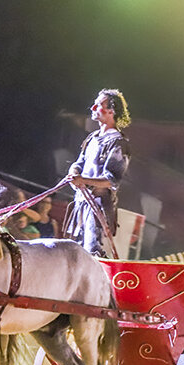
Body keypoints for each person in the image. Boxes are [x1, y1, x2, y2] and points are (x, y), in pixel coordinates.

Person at [65, 88, 131, 257]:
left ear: (112, 111)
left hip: (98, 207)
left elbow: (112, 180)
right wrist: (74, 171)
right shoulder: (92, 138)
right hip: (81, 203)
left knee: (93, 254)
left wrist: (82, 180)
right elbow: (79, 162)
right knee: (75, 253)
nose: (93, 108)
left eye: (99, 105)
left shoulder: (118, 143)